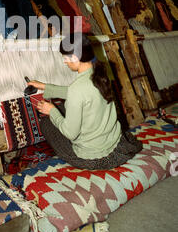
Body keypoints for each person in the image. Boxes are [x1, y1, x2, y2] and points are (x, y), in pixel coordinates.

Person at [28, 32, 142, 170]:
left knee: (46, 123)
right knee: (66, 108)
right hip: (115, 143)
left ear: (75, 58)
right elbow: (82, 93)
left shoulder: (77, 88)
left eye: (65, 58)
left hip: (93, 157)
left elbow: (71, 133)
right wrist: (44, 86)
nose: (64, 62)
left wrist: (51, 111)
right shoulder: (100, 71)